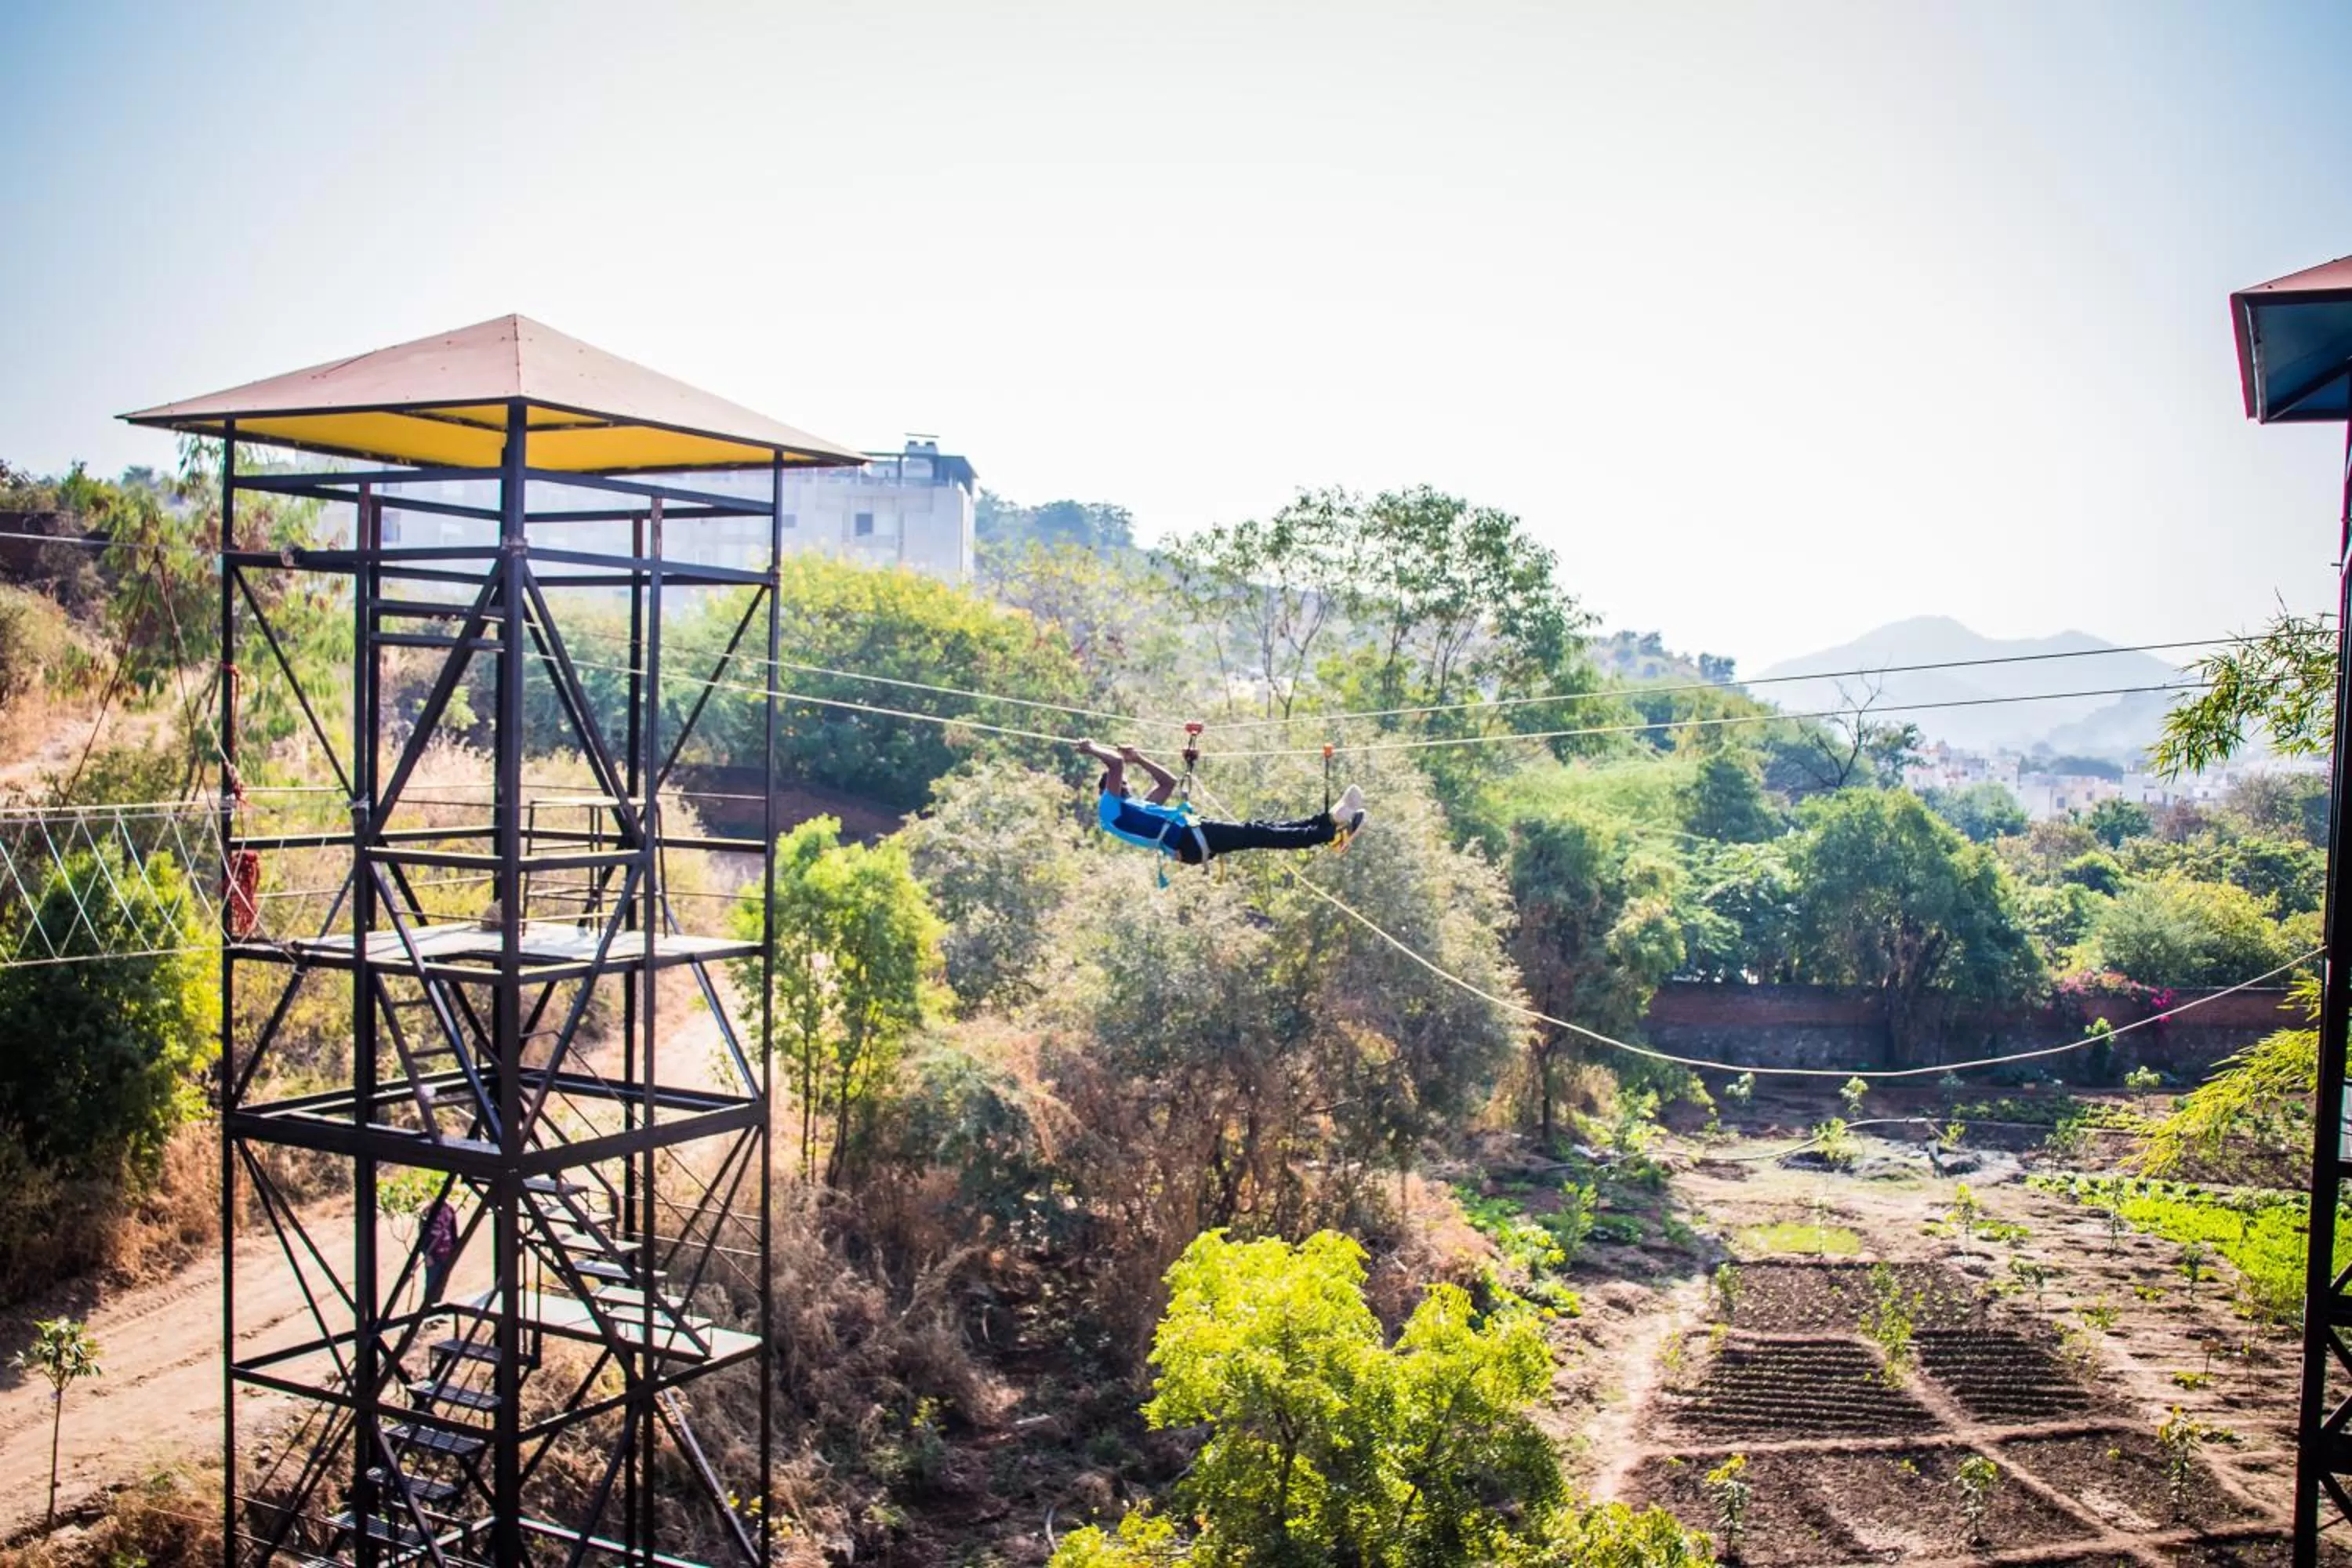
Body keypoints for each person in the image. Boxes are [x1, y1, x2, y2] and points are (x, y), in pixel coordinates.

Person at [1078, 739, 1366, 865]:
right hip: (1189, 840)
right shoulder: (1109, 810)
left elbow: (1168, 783)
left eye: (1126, 784)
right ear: (1109, 790)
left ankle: (1328, 822)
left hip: (1192, 836)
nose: (1126, 786)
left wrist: (1139, 759)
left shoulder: (1136, 808)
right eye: (1122, 784)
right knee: (1257, 832)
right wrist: (1092, 749)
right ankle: (1329, 836)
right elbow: (1115, 764)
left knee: (1260, 829)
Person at [420, 1197, 459, 1308]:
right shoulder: (427, 1211)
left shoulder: (449, 1209)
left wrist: (454, 1250)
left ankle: (436, 1307)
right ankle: (426, 1311)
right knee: (431, 1286)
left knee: (441, 1285)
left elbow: (453, 1232)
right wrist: (427, 1255)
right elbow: (422, 1236)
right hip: (434, 1255)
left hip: (447, 1254)